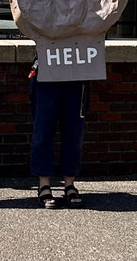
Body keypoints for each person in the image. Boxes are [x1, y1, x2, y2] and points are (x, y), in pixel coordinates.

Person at [29, 59, 87, 209]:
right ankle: (44, 185)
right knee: (43, 129)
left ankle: (69, 184)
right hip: (48, 66)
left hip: (78, 71)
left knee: (74, 131)